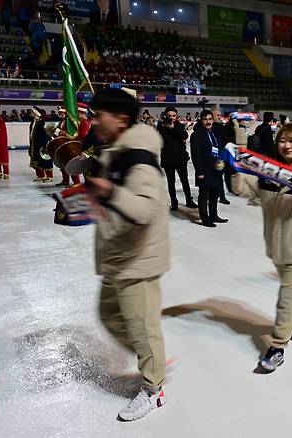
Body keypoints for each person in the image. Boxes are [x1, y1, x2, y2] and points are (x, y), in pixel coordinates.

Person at [85, 88, 169, 421]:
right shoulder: (115, 152)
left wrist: (110, 190)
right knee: (109, 314)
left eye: (97, 115)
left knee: (142, 327)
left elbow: (146, 209)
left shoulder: (139, 159)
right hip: (118, 254)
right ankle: (153, 358)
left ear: (120, 120)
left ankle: (154, 389)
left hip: (138, 259)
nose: (92, 122)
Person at [232, 123, 292, 372]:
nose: (287, 146)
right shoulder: (270, 170)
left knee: (287, 298)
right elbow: (243, 188)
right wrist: (233, 169)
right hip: (276, 242)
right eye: (283, 140)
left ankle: (277, 347)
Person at [190, 110, 227, 227]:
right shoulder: (196, 135)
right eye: (205, 119)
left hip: (215, 169)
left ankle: (213, 215)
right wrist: (199, 171)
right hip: (204, 170)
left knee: (215, 194)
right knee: (204, 195)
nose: (208, 121)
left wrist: (221, 164)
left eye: (210, 119)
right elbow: (195, 155)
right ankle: (205, 218)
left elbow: (219, 150)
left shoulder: (214, 134)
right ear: (201, 120)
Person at [157, 106, 196, 210]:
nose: (172, 118)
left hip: (180, 158)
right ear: (165, 115)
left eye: (174, 116)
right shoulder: (161, 127)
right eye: (169, 116)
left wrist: (172, 128)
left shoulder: (179, 125)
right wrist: (165, 125)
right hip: (168, 159)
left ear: (177, 116)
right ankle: (174, 202)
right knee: (171, 182)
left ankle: (189, 200)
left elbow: (184, 136)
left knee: (185, 180)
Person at [28, 106, 53, 182]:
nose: (30, 114)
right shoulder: (33, 122)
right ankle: (40, 176)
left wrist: (45, 145)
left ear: (36, 113)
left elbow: (46, 135)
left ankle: (49, 176)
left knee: (45, 160)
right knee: (36, 160)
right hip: (34, 145)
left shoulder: (42, 123)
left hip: (41, 145)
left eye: (31, 113)